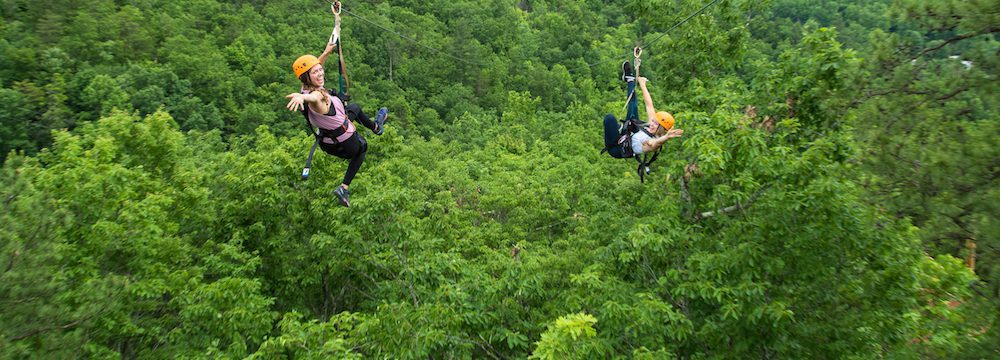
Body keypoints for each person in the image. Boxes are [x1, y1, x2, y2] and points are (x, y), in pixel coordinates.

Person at [284, 5, 388, 207]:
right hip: (342, 142)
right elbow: (312, 99)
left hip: (327, 139)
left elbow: (329, 48)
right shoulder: (315, 97)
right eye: (316, 73)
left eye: (320, 70)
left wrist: (337, 20)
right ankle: (344, 188)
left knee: (355, 108)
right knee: (362, 149)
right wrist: (300, 98)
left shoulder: (307, 84)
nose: (320, 73)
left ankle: (376, 127)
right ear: (307, 78)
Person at [602, 60, 683, 159]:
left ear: (660, 129)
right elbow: (649, 105)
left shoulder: (651, 140)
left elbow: (655, 144)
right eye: (653, 121)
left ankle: (618, 130)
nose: (652, 123)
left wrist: (666, 138)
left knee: (609, 119)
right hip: (630, 134)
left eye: (655, 124)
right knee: (633, 108)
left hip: (616, 148)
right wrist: (643, 85)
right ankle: (630, 80)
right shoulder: (652, 125)